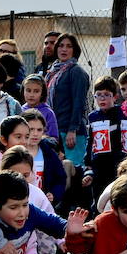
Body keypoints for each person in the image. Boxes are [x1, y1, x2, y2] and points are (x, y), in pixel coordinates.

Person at [45, 33, 91, 164]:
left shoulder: (76, 72)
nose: (64, 49)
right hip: (54, 129)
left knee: (73, 170)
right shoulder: (52, 72)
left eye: (69, 46)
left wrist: (72, 130)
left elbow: (79, 103)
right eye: (61, 45)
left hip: (70, 132)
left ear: (74, 50)